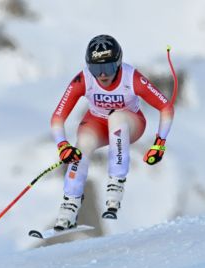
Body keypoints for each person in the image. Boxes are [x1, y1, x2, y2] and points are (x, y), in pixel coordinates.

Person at [50, 34, 175, 230]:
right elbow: (58, 117)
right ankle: (69, 206)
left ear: (118, 63)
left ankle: (115, 187)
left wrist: (160, 143)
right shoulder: (84, 79)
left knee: (116, 117)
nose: (102, 75)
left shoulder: (130, 77)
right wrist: (62, 145)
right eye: (96, 69)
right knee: (82, 145)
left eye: (107, 68)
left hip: (129, 122)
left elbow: (165, 107)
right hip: (97, 122)